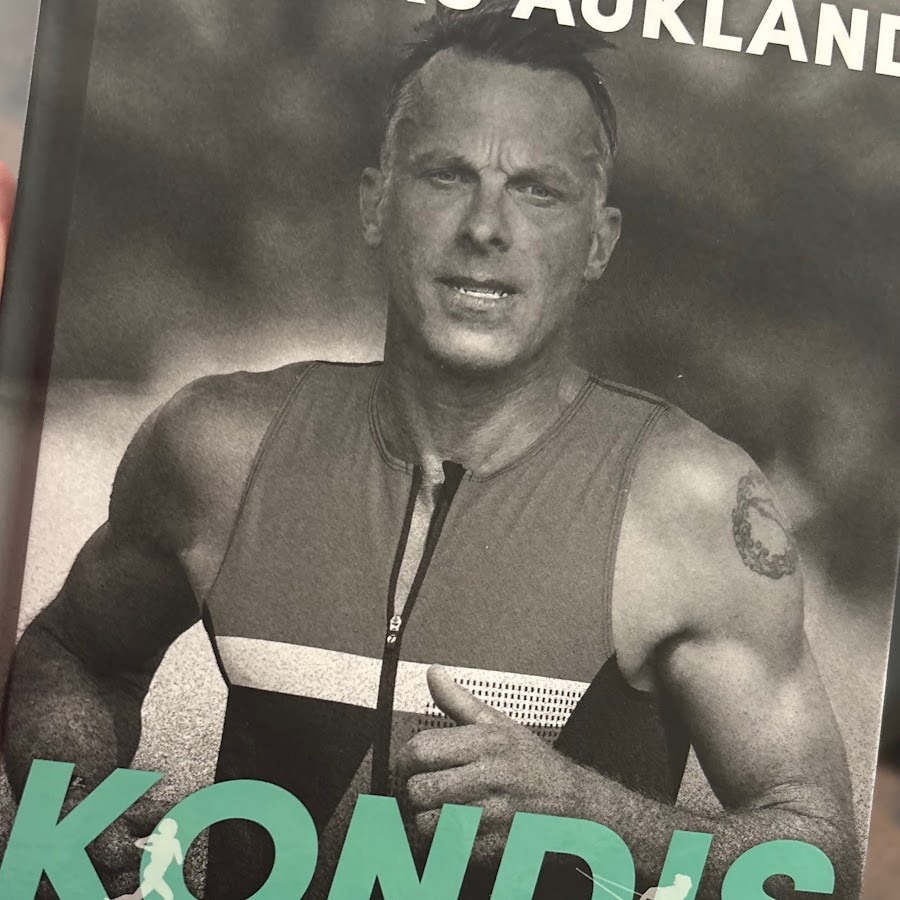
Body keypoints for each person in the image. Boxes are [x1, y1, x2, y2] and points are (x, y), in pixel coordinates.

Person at [2, 6, 859, 900]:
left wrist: (598, 818)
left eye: (537, 190)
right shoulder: (218, 448)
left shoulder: (693, 503)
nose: (485, 226)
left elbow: (822, 862)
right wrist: (72, 793)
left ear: (598, 241)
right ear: (376, 203)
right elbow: (73, 653)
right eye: (448, 174)